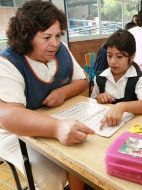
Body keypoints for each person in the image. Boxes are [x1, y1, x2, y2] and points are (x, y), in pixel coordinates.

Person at [0, 1, 94, 190]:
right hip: (12, 132)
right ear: (26, 37)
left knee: (83, 160)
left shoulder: (63, 51)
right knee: (52, 176)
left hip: (53, 118)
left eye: (58, 36)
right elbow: (8, 116)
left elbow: (83, 81)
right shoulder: (8, 62)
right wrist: (56, 128)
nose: (55, 44)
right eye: (46, 37)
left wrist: (63, 92)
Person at [91, 29, 142, 128]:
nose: (112, 61)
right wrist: (99, 98)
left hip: (132, 128)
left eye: (119, 57)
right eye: (109, 55)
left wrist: (122, 106)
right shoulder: (100, 78)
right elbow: (92, 101)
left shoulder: (140, 79)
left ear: (131, 57)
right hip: (107, 127)